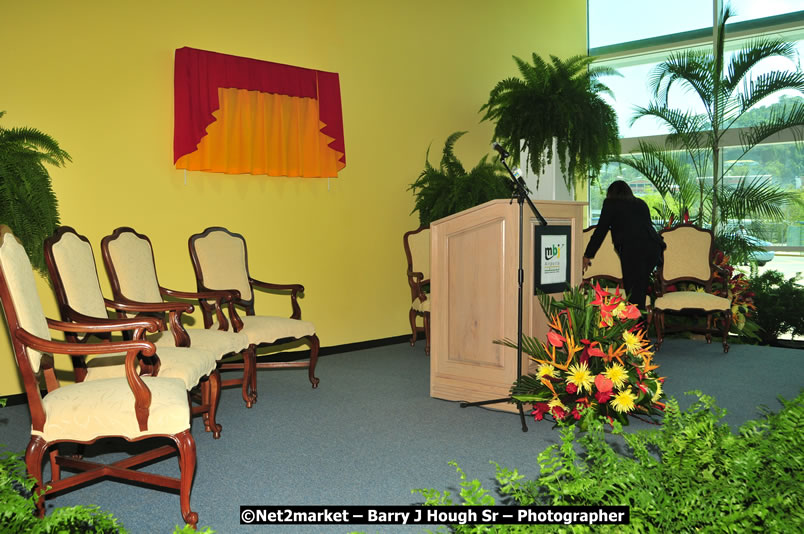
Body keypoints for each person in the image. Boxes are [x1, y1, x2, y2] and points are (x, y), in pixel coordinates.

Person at [583, 180, 665, 310]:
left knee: (633, 294)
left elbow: (601, 231)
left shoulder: (611, 204)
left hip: (633, 250)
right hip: (653, 249)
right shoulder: (641, 203)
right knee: (639, 290)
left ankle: (635, 328)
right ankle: (639, 327)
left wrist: (588, 255)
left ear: (611, 194)